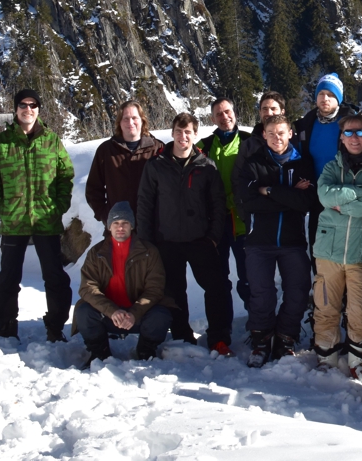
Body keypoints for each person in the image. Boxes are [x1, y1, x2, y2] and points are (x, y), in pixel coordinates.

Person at [0, 89, 74, 342]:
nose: (28, 109)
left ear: (39, 109)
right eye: (23, 104)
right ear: (16, 109)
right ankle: (6, 329)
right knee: (8, 278)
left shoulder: (52, 141)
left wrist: (59, 206)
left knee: (55, 277)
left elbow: (66, 176)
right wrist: (0, 209)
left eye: (33, 105)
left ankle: (55, 327)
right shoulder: (1, 143)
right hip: (14, 222)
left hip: (47, 221)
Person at [136, 113, 230, 352]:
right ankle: (182, 336)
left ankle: (218, 337)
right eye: (179, 131)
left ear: (195, 135)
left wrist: (213, 237)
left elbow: (218, 205)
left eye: (188, 132)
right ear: (172, 133)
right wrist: (147, 242)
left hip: (200, 240)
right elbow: (145, 204)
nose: (183, 137)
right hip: (167, 241)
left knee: (216, 288)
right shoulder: (156, 165)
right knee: (174, 292)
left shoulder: (206, 166)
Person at [312, 113, 362, 384]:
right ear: (341, 137)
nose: (354, 138)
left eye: (359, 132)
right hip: (328, 247)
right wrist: (358, 192)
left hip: (361, 249)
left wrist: (341, 204)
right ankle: (326, 355)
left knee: (361, 306)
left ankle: (359, 358)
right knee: (325, 304)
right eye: (348, 133)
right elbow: (324, 195)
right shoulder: (333, 166)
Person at [238, 114, 317, 367]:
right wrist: (290, 196)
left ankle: (285, 337)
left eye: (281, 133)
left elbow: (306, 203)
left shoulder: (303, 164)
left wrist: (270, 190)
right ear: (264, 135)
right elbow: (249, 202)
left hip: (292, 241)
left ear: (290, 133)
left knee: (298, 290)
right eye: (271, 133)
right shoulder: (253, 163)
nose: (276, 138)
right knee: (262, 293)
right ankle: (261, 339)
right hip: (259, 241)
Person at [294, 74, 362, 266]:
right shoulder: (306, 124)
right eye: (321, 93)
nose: (325, 98)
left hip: (354, 192)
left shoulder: (356, 123)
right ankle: (324, 286)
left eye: (330, 94)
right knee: (319, 246)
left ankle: (348, 293)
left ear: (339, 98)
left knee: (350, 247)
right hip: (321, 195)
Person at [73, 201, 174, 366]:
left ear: (132, 226)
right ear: (109, 227)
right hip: (108, 314)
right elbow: (87, 288)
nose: (120, 227)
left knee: (161, 315)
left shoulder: (149, 252)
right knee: (84, 311)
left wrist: (134, 312)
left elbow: (154, 289)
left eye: (125, 223)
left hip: (138, 315)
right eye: (116, 223)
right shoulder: (96, 253)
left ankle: (145, 352)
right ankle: (100, 353)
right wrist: (112, 311)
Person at [197, 98, 251, 312]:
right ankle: (220, 334)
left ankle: (259, 328)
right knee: (217, 281)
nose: (224, 117)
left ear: (235, 113)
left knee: (250, 278)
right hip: (215, 224)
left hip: (244, 222)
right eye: (218, 114)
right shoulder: (204, 147)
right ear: (212, 118)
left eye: (227, 111)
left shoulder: (250, 141)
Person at [85, 100, 164, 229]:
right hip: (118, 228)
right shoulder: (106, 150)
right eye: (125, 119)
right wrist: (105, 215)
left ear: (142, 120)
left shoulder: (157, 148)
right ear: (119, 123)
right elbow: (93, 188)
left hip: (151, 226)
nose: (130, 123)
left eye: (134, 118)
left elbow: (169, 187)